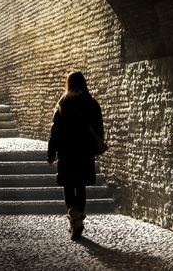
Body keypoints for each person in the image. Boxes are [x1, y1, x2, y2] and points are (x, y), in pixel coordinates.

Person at [47, 71, 104, 240]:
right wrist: (96, 148)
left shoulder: (63, 103)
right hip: (85, 153)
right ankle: (78, 219)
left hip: (67, 153)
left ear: (68, 84)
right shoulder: (92, 103)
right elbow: (99, 129)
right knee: (81, 186)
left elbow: (54, 131)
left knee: (68, 186)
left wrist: (51, 153)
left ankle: (75, 219)